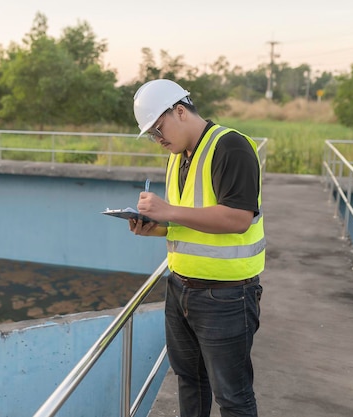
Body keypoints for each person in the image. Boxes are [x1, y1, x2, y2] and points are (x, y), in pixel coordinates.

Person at [129, 79, 265, 417]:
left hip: (227, 296)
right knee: (190, 380)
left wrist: (167, 211)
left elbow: (237, 218)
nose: (158, 139)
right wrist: (156, 229)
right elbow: (192, 220)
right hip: (180, 289)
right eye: (151, 134)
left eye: (159, 129)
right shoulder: (178, 157)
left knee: (233, 397)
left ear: (180, 111)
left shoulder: (230, 146)